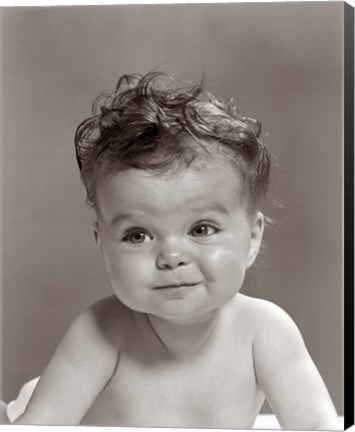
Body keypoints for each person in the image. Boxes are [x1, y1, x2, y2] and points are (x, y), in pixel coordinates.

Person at [12, 71, 341, 429]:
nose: (171, 257)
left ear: (252, 238)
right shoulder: (102, 332)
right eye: (138, 235)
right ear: (102, 245)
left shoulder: (264, 332)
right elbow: (40, 426)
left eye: (201, 229)